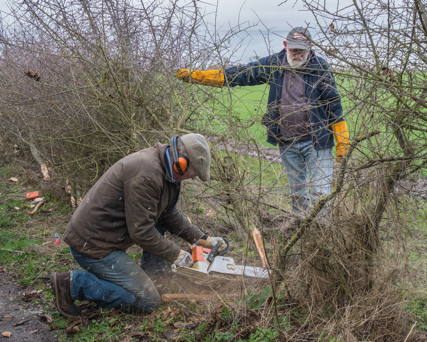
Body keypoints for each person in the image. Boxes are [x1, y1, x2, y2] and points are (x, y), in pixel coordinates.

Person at [176, 27, 350, 216]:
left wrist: (342, 141)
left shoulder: (320, 68)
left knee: (320, 193)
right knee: (298, 194)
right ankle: (301, 233)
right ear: (285, 46)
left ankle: (323, 234)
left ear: (310, 47)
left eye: (302, 50)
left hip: (317, 141)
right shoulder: (274, 64)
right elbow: (243, 74)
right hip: (287, 142)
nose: (298, 54)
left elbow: (334, 105)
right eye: (294, 49)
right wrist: (199, 77)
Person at [50, 133, 226, 317]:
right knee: (148, 301)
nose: (192, 178)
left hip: (108, 239)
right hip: (93, 246)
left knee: (159, 224)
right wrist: (177, 254)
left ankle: (155, 277)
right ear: (182, 162)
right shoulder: (146, 174)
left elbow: (169, 214)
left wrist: (202, 239)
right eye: (193, 173)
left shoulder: (169, 173)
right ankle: (73, 283)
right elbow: (141, 231)